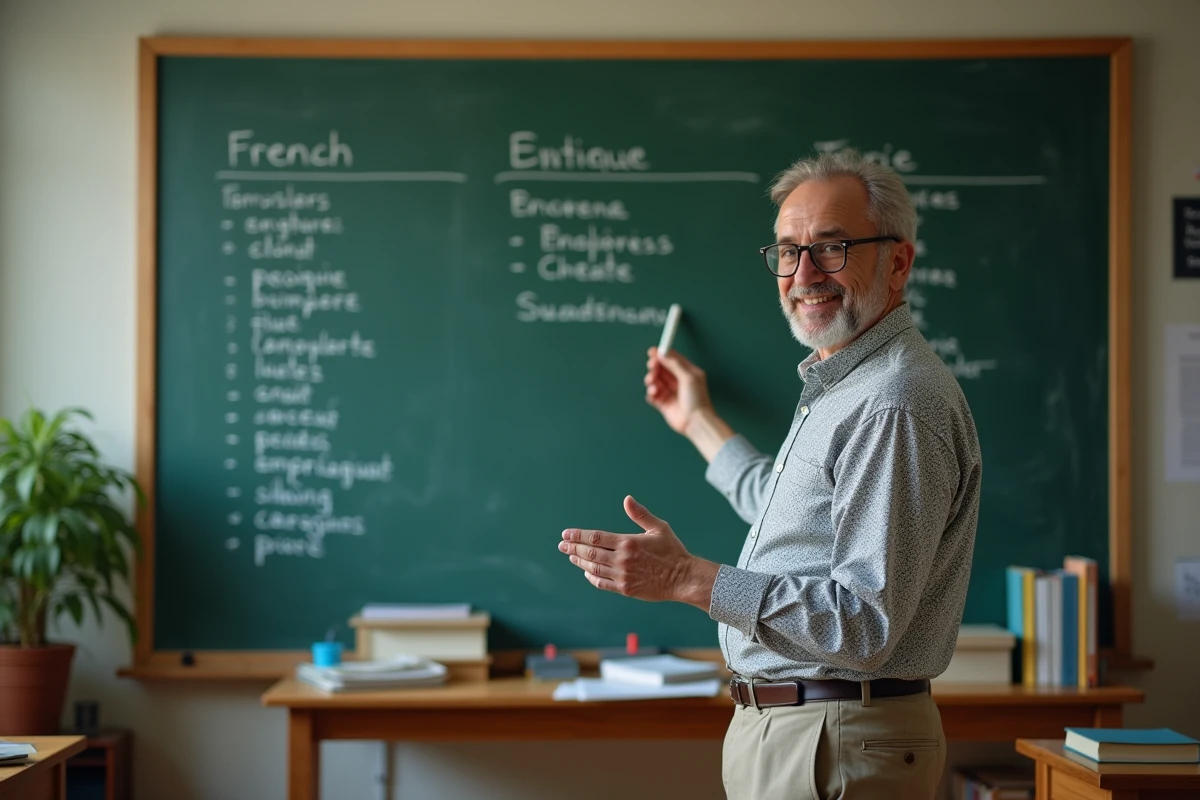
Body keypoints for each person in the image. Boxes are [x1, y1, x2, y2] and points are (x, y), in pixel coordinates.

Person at [557, 149, 981, 799]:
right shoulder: (846, 385)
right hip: (808, 730)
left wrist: (686, 578)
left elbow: (863, 622)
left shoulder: (893, 402)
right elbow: (787, 511)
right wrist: (697, 420)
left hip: (835, 733)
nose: (804, 273)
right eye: (787, 251)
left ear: (898, 262)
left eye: (832, 247)